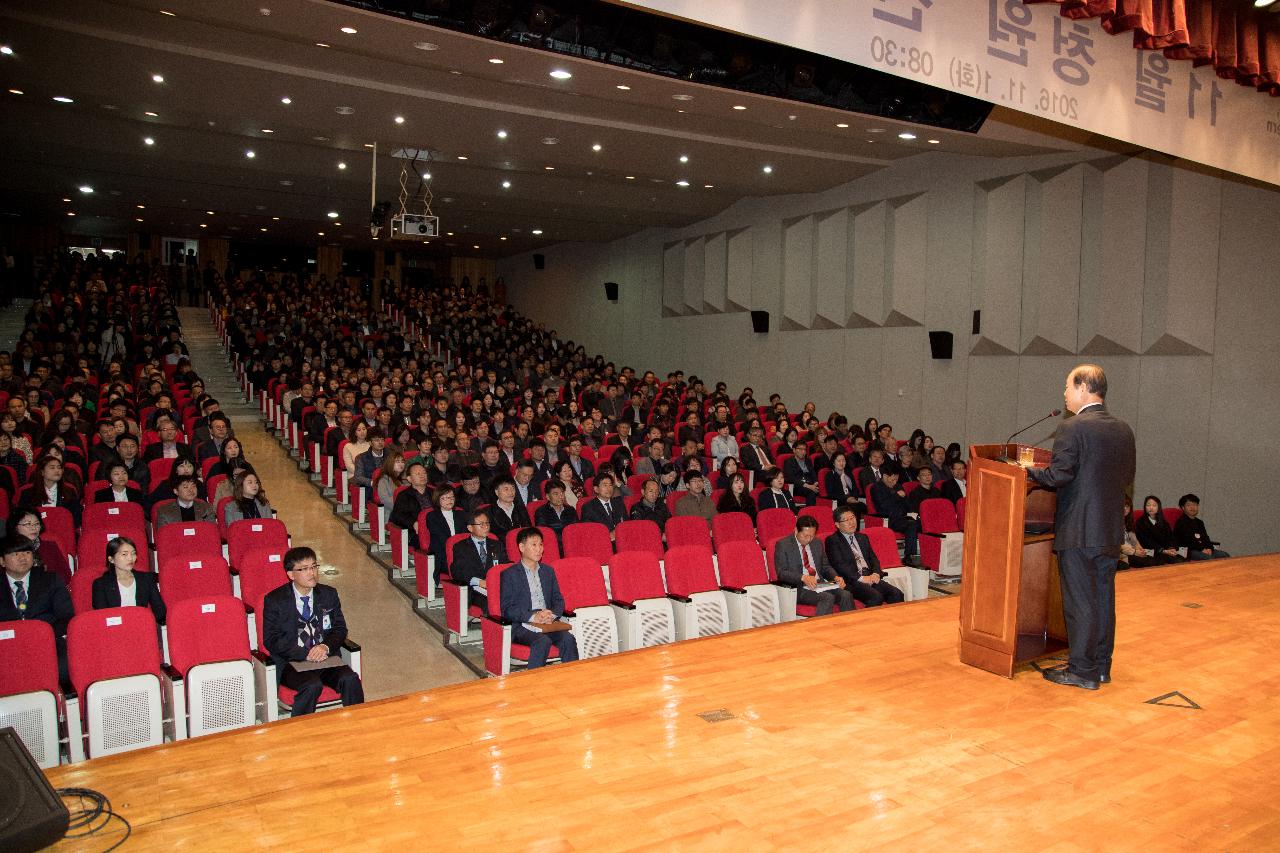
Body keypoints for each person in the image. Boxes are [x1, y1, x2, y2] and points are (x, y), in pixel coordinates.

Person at [1024, 364, 1136, 691]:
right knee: (1102, 599)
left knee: (1080, 602)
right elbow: (1126, 478)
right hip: (1109, 531)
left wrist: (1028, 471)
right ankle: (1101, 666)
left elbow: (1059, 476)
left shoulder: (1073, 428)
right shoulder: (1123, 429)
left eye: (1067, 387)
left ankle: (1082, 670)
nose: (1064, 394)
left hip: (1079, 530)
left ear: (1084, 388)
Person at [260, 546, 364, 716]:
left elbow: (339, 628)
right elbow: (271, 639)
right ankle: (301, 733)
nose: (312, 573)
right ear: (291, 574)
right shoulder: (275, 600)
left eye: (314, 567)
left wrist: (325, 647)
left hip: (326, 658)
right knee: (311, 685)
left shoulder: (328, 594)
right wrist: (305, 654)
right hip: (293, 661)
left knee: (350, 679)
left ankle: (360, 724)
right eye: (304, 569)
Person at [499, 528, 579, 669]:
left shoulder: (548, 571)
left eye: (541, 544)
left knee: (568, 639)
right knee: (542, 642)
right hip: (522, 624)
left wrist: (552, 614)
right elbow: (508, 609)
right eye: (534, 545)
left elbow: (558, 600)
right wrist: (533, 617)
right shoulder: (509, 574)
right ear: (522, 547)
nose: (539, 549)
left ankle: (571, 680)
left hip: (547, 622)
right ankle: (534, 684)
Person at [0, 535, 74, 685]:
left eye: (27, 552)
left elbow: (66, 616)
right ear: (2, 561)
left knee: (66, 666)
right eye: (15, 554)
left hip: (47, 640)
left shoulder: (50, 579)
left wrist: (40, 635)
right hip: (5, 644)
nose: (22, 558)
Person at [772, 516, 854, 615]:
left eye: (812, 535)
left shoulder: (817, 543)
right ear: (796, 530)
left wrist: (835, 577)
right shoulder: (783, 545)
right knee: (827, 597)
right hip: (799, 587)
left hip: (820, 584)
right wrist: (803, 577)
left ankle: (847, 626)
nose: (809, 539)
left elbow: (825, 567)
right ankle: (821, 629)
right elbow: (781, 573)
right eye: (805, 536)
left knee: (846, 594)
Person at [826, 505, 904, 607]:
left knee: (897, 594)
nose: (851, 522)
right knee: (875, 597)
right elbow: (840, 566)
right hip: (851, 581)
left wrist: (876, 573)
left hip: (870, 576)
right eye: (846, 520)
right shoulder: (833, 540)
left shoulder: (862, 537)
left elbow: (873, 558)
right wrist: (861, 578)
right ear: (837, 524)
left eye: (852, 518)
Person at [91, 535, 166, 625]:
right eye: (124, 554)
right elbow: (103, 615)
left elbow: (160, 609)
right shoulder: (101, 584)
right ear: (111, 559)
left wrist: (143, 620)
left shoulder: (146, 578)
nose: (130, 558)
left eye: (133, 553)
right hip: (115, 630)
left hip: (141, 625)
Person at [448, 510, 508, 608]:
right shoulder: (460, 547)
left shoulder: (497, 545)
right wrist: (479, 582)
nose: (486, 527)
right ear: (470, 528)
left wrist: (495, 581)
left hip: (496, 586)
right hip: (474, 589)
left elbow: (505, 565)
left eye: (487, 523)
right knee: (492, 604)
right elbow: (457, 572)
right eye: (481, 524)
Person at [868, 469, 921, 566]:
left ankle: (913, 555)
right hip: (886, 519)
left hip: (901, 517)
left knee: (918, 522)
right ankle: (908, 555)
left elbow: (907, 505)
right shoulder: (876, 488)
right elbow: (883, 505)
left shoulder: (898, 486)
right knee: (911, 525)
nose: (894, 482)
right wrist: (897, 496)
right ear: (884, 476)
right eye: (892, 480)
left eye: (896, 480)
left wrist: (905, 499)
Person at [6, 507, 72, 584]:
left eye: (37, 523)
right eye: (28, 524)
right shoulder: (6, 549)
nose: (34, 528)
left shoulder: (50, 547)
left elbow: (66, 575)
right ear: (15, 527)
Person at [425, 487, 466, 582]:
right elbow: (442, 538)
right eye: (445, 498)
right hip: (443, 554)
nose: (449, 500)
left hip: (462, 552)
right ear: (437, 499)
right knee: (464, 567)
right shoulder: (432, 516)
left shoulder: (461, 514)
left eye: (452, 497)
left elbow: (465, 535)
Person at [390, 462, 434, 548]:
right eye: (418, 474)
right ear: (409, 479)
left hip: (436, 528)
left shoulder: (435, 493)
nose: (422, 476)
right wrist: (413, 523)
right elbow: (398, 515)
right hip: (415, 532)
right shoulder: (403, 495)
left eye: (424, 473)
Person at [1174, 494, 1229, 560]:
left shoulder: (1199, 522)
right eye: (1189, 505)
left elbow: (1205, 537)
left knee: (1224, 555)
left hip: (1202, 549)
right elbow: (1188, 541)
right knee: (1209, 559)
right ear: (1183, 507)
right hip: (1189, 551)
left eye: (1195, 504)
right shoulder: (1181, 522)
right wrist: (1202, 549)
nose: (1192, 507)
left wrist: (1209, 548)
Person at [488, 476, 532, 540]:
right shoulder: (490, 512)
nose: (511, 492)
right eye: (506, 489)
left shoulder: (521, 508)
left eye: (513, 488)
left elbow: (529, 530)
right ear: (497, 492)